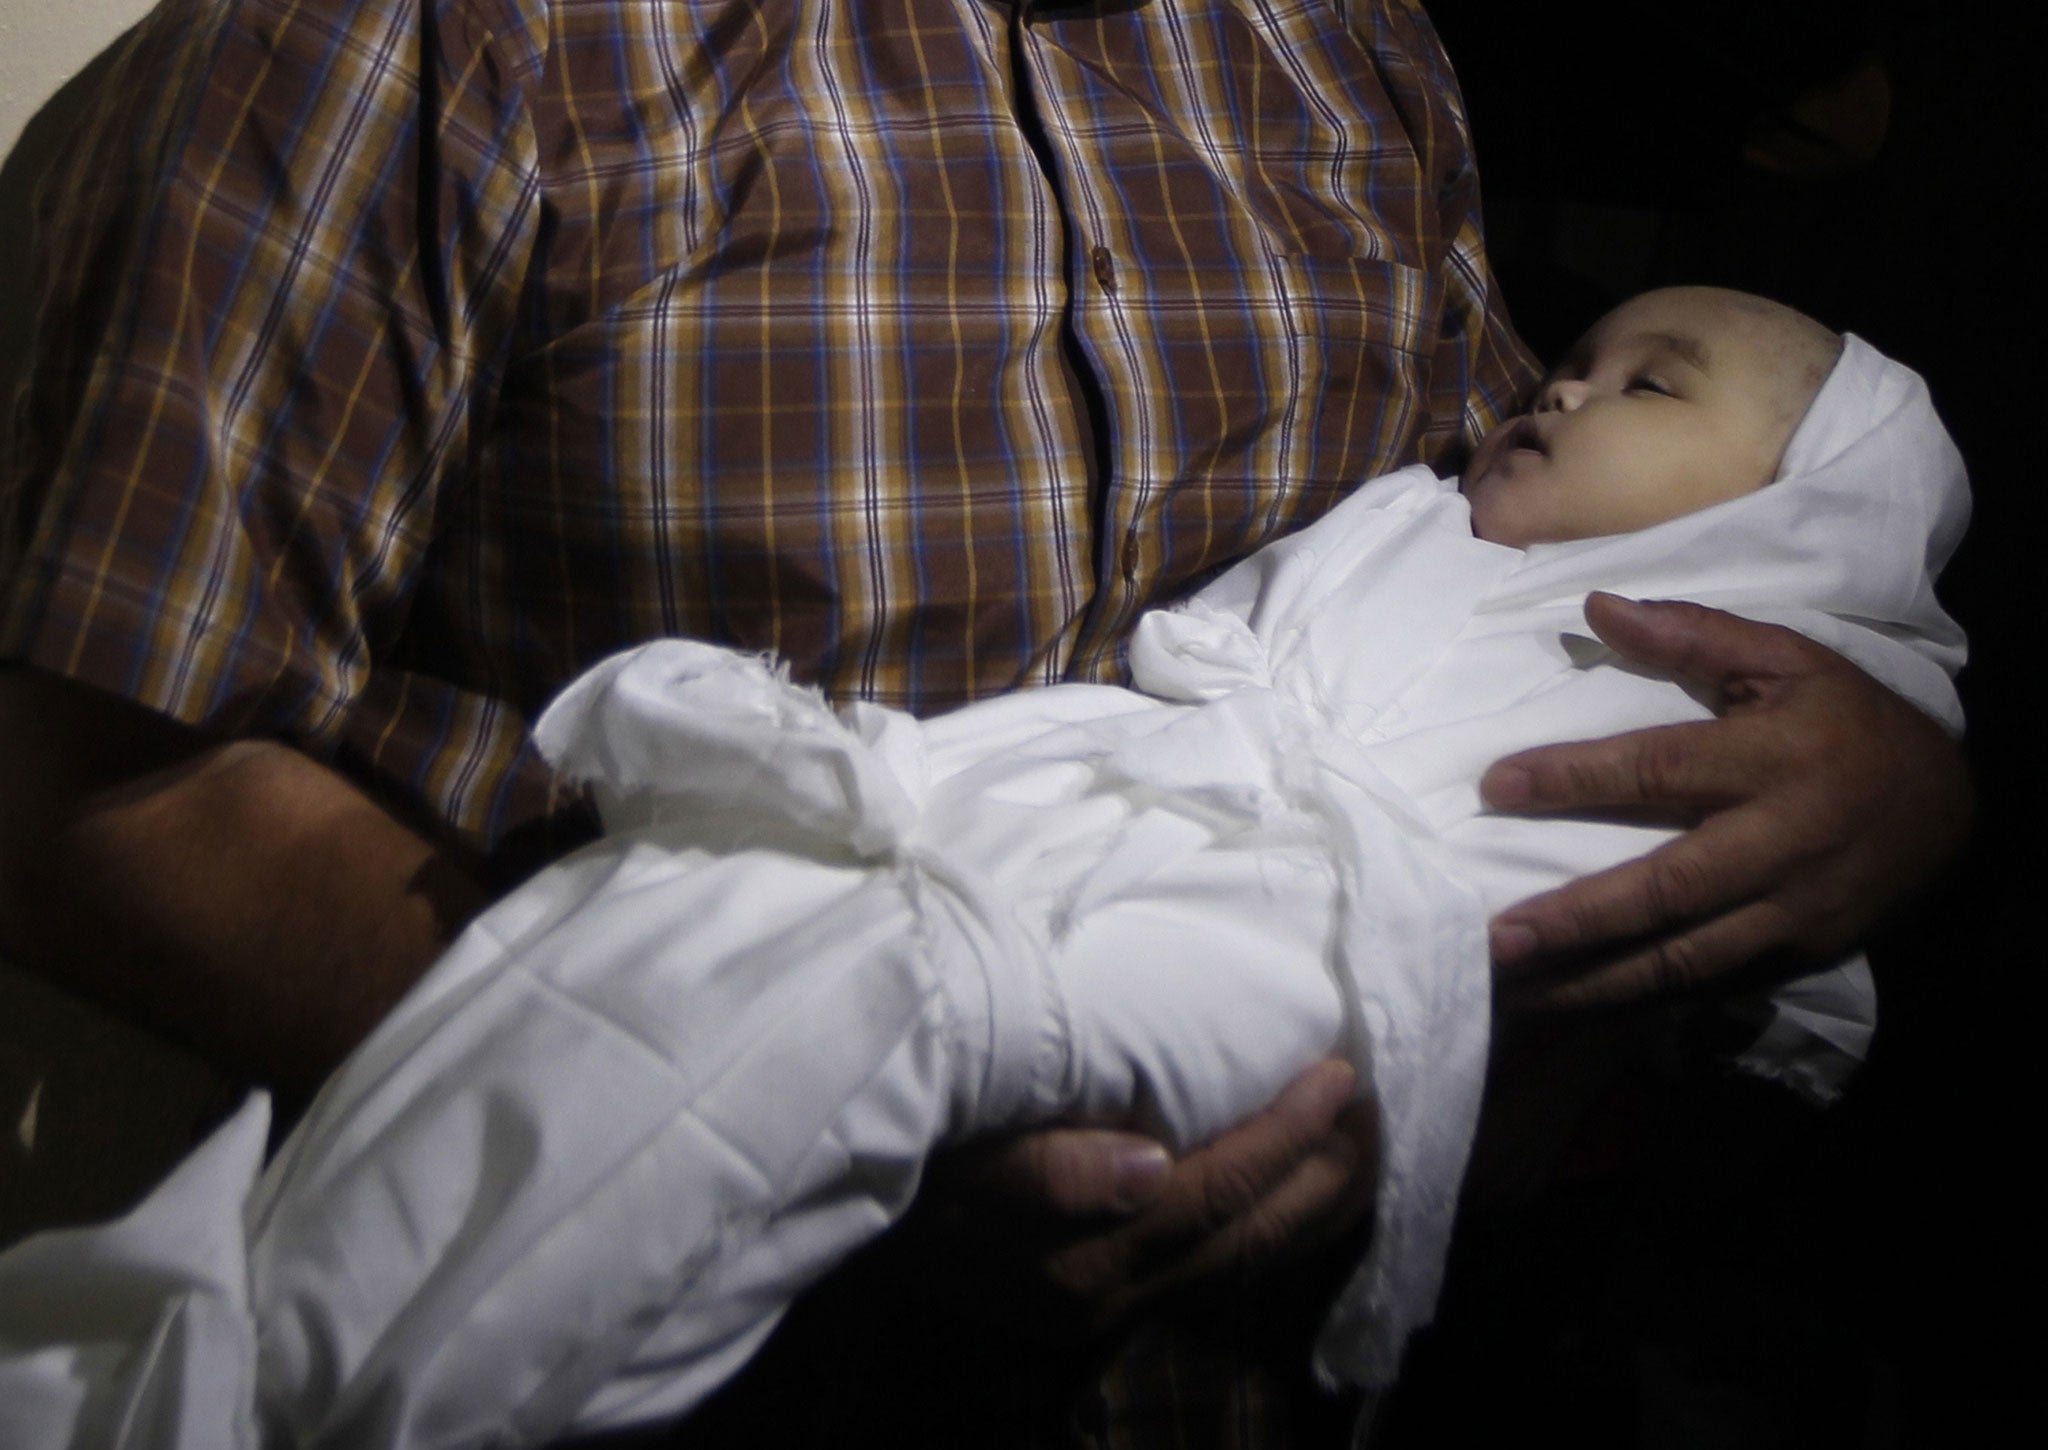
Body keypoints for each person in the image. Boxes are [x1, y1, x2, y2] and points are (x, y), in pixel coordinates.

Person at [0, 2, 1971, 1443]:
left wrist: (1893, 759)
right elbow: (72, 779)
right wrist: (781, 1092)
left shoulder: (1352, 57)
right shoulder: (417, 45)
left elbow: (1568, 558)